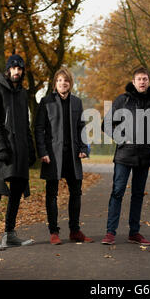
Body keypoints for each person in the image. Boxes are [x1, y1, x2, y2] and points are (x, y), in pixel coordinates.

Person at [101, 67, 150, 246]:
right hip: (124, 155)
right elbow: (107, 124)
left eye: (145, 79)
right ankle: (110, 232)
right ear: (133, 82)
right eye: (139, 79)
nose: (142, 82)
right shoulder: (123, 100)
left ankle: (134, 232)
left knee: (138, 195)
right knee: (117, 192)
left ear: (149, 82)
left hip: (144, 157)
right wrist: (121, 138)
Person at [0, 54, 36, 250]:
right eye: (13, 68)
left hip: (20, 150)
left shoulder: (23, 93)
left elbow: (25, 124)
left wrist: (31, 149)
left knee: (17, 191)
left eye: (20, 69)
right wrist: (1, 149)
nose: (17, 72)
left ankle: (10, 234)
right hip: (0, 151)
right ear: (8, 70)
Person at [35, 67, 93, 245]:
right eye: (60, 80)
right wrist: (43, 151)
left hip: (73, 156)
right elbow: (39, 128)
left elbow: (81, 127)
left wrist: (84, 148)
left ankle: (75, 230)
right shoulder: (46, 101)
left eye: (66, 81)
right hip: (53, 156)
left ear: (70, 83)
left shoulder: (77, 102)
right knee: (51, 194)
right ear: (55, 83)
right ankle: (54, 232)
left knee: (76, 193)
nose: (63, 83)